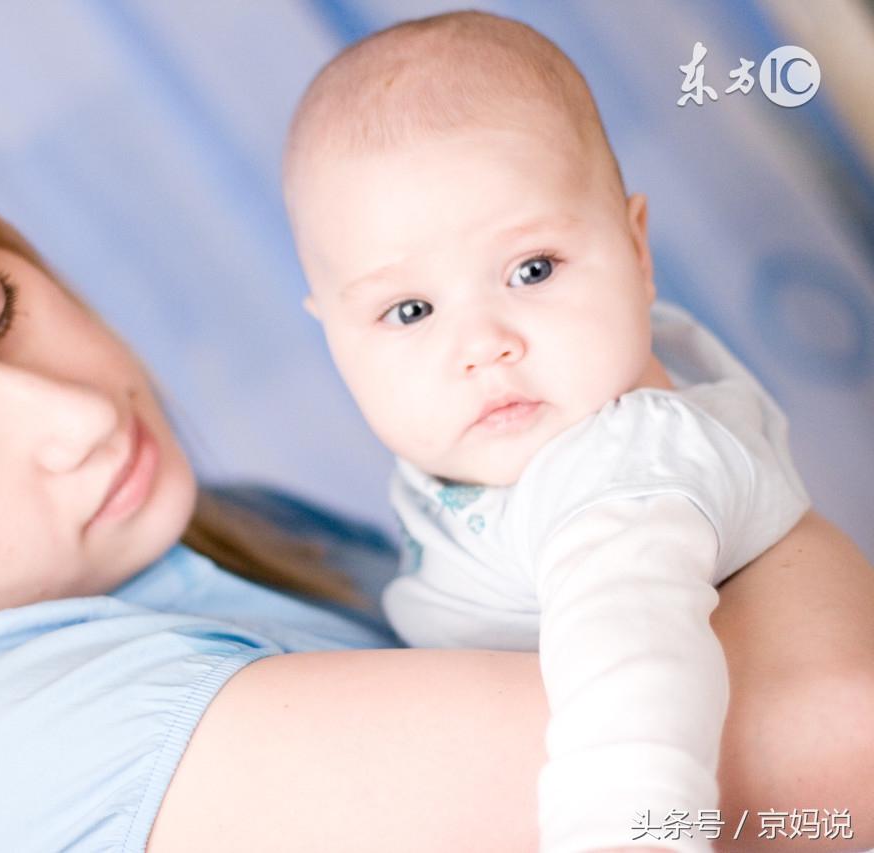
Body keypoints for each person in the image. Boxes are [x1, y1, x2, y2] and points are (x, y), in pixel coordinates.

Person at [0, 123, 871, 853]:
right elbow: (838, 751)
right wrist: (655, 415)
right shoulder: (2, 757)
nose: (83, 415)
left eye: (0, 304)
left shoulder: (242, 532)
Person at [281, 12, 817, 851]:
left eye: (532, 269)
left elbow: (631, 684)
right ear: (334, 336)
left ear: (637, 252)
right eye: (410, 310)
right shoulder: (513, 437)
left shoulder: (619, 477)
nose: (483, 343)